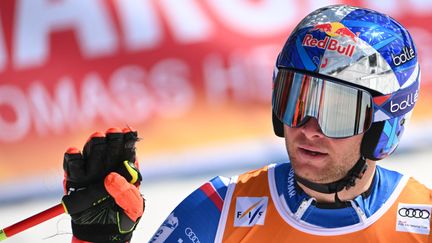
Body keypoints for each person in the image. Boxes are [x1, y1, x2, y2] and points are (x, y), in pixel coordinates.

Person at [62, 4, 431, 243]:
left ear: (383, 126)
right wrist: (95, 240)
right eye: (296, 101)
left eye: (337, 112)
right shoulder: (217, 210)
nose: (308, 128)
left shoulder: (423, 222)